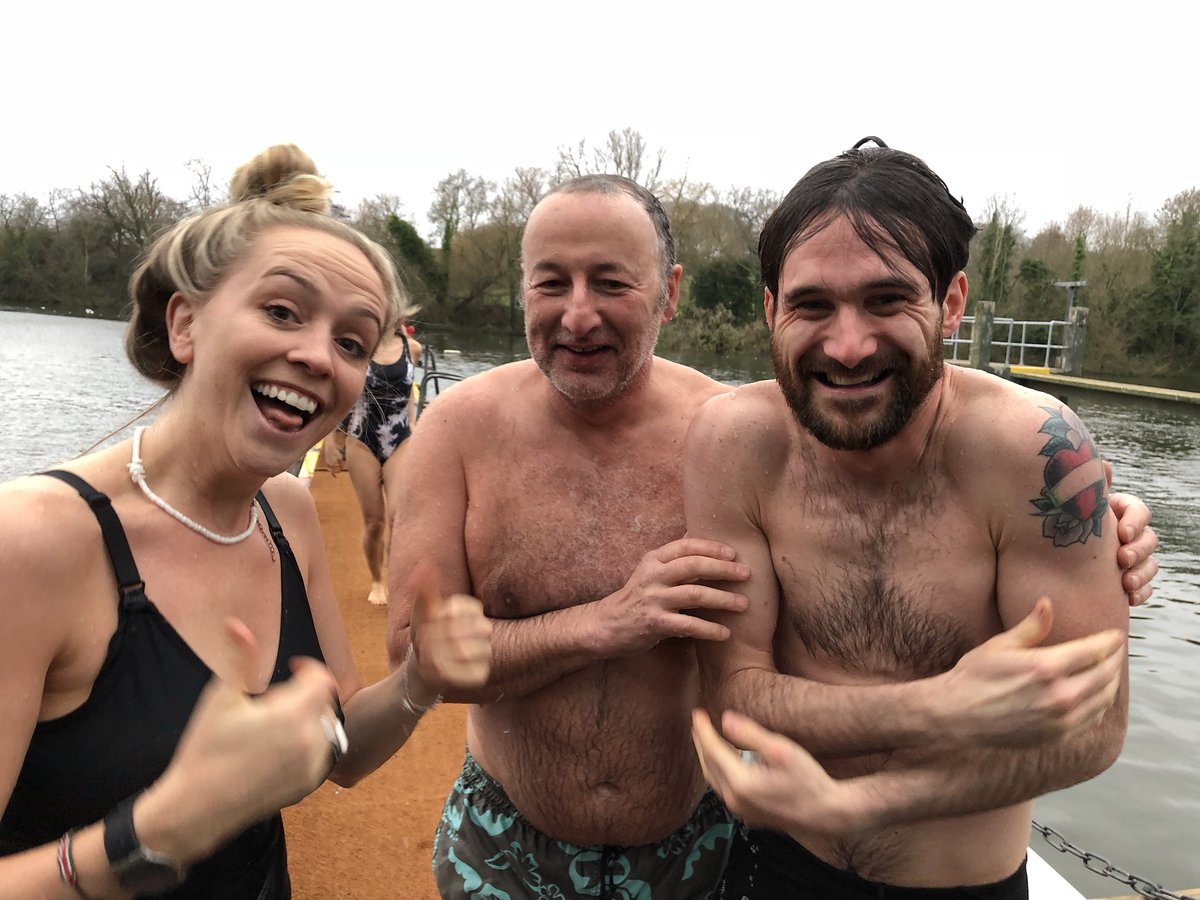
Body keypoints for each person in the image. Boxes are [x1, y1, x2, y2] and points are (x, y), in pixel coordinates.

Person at [385, 174, 1159, 899]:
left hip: (709, 853)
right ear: (774, 309)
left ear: (669, 293)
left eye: (613, 282)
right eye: (551, 281)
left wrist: (1103, 528)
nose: (578, 314)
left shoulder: (741, 432)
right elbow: (416, 660)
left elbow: (1091, 720)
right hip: (520, 843)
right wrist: (608, 622)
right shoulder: (463, 430)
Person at [0, 144, 491, 899]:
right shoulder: (34, 541)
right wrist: (154, 834)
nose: (320, 356)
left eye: (353, 341)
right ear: (186, 323)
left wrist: (419, 681)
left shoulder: (286, 513)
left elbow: (341, 752)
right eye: (282, 311)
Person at [686, 140, 1133, 899]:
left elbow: (1094, 729)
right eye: (811, 304)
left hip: (963, 883)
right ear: (770, 310)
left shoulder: (1035, 451)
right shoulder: (733, 445)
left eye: (887, 300)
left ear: (950, 303)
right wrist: (933, 708)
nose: (849, 345)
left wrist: (861, 800)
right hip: (771, 866)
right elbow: (734, 689)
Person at [324, 319, 423, 605]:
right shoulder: (360, 346)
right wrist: (332, 439)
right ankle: (377, 579)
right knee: (375, 522)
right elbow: (338, 393)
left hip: (400, 438)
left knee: (398, 517)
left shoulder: (412, 348)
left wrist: (413, 424)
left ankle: (396, 579)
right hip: (361, 439)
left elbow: (409, 391)